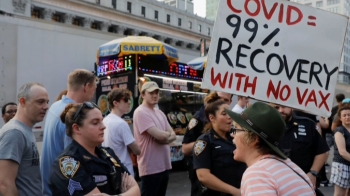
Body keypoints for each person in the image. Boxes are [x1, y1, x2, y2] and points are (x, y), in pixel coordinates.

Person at [49, 102, 140, 196]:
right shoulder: (68, 162)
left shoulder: (108, 153)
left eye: (102, 121)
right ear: (76, 128)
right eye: (95, 123)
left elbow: (136, 190)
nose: (103, 127)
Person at [227, 102, 315, 195]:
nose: (232, 135)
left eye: (236, 130)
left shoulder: (257, 174)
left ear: (253, 139)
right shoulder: (289, 165)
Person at [41, 69, 98, 196]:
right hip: (63, 189)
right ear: (86, 86)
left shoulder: (56, 106)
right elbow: (73, 160)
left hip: (49, 185)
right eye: (93, 89)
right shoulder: (72, 116)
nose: (93, 94)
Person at [0, 83, 49, 195]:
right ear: (23, 102)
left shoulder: (24, 130)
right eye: (40, 102)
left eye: (47, 102)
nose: (46, 106)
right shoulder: (14, 132)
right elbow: (4, 184)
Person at [192, 92, 245, 196]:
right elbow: (203, 176)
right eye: (224, 114)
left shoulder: (236, 137)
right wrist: (234, 191)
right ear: (212, 118)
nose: (229, 117)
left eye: (230, 113)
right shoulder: (205, 141)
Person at [182, 91, 232, 196]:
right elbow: (185, 149)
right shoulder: (198, 119)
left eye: (226, 100)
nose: (221, 102)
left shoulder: (233, 135)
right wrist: (205, 144)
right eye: (219, 98)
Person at [271, 104, 329, 191]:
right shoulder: (265, 127)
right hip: (275, 183)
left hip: (303, 183)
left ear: (292, 106)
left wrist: (313, 173)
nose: (280, 110)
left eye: (283, 106)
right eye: (276, 108)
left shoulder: (308, 125)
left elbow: (321, 152)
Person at [133, 81, 176, 196]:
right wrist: (165, 136)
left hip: (164, 165)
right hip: (150, 168)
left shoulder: (159, 112)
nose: (155, 95)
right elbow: (161, 135)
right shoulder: (140, 112)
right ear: (142, 95)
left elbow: (173, 135)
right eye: (151, 92)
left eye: (156, 92)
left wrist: (164, 138)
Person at [102, 88, 140, 177]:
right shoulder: (121, 124)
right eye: (126, 100)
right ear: (115, 103)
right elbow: (137, 150)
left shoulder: (105, 120)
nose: (129, 102)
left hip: (109, 169)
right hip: (124, 170)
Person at [330, 104, 350, 196]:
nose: (347, 117)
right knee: (339, 194)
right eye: (344, 115)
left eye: (349, 115)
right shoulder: (339, 131)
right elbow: (342, 152)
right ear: (340, 118)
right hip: (341, 166)